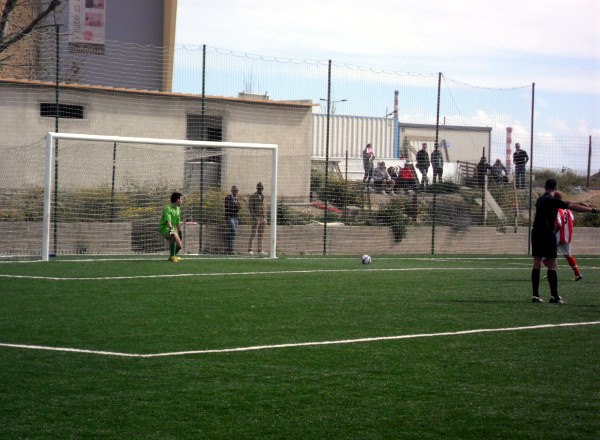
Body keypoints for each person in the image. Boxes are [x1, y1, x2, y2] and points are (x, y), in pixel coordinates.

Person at [531, 178, 597, 303]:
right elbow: (572, 206)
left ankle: (535, 295)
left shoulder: (541, 199)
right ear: (556, 188)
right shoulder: (553, 200)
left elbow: (568, 202)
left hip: (536, 232)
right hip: (547, 233)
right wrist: (592, 210)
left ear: (545, 187)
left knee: (537, 262)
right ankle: (554, 296)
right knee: (552, 264)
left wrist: (581, 203)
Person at [550, 191, 583, 281]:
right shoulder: (568, 210)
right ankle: (577, 274)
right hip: (567, 237)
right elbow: (572, 220)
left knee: (548, 256)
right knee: (568, 255)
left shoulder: (555, 209)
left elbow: (558, 223)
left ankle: (552, 271)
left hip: (556, 237)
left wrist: (552, 233)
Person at [159, 191, 183, 262]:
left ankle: (172, 256)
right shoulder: (168, 208)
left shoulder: (178, 209)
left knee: (180, 246)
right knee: (173, 237)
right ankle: (173, 257)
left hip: (172, 229)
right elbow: (168, 222)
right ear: (177, 200)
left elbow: (178, 223)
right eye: (181, 199)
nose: (182, 201)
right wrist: (172, 233)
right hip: (164, 228)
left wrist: (180, 235)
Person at [247, 182, 267, 256]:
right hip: (256, 217)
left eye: (261, 188)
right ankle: (250, 249)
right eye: (259, 188)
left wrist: (265, 217)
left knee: (261, 235)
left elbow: (265, 207)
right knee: (253, 233)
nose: (260, 189)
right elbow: (250, 207)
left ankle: (260, 250)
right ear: (256, 188)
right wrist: (254, 216)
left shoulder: (263, 196)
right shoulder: (253, 196)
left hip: (262, 217)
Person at [224, 185, 241, 255]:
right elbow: (228, 207)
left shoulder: (237, 198)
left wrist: (238, 207)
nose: (235, 192)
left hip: (235, 217)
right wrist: (236, 206)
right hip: (229, 217)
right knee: (233, 231)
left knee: (233, 233)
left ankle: (230, 249)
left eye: (236, 190)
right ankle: (231, 249)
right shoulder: (228, 198)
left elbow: (238, 209)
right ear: (231, 191)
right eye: (234, 190)